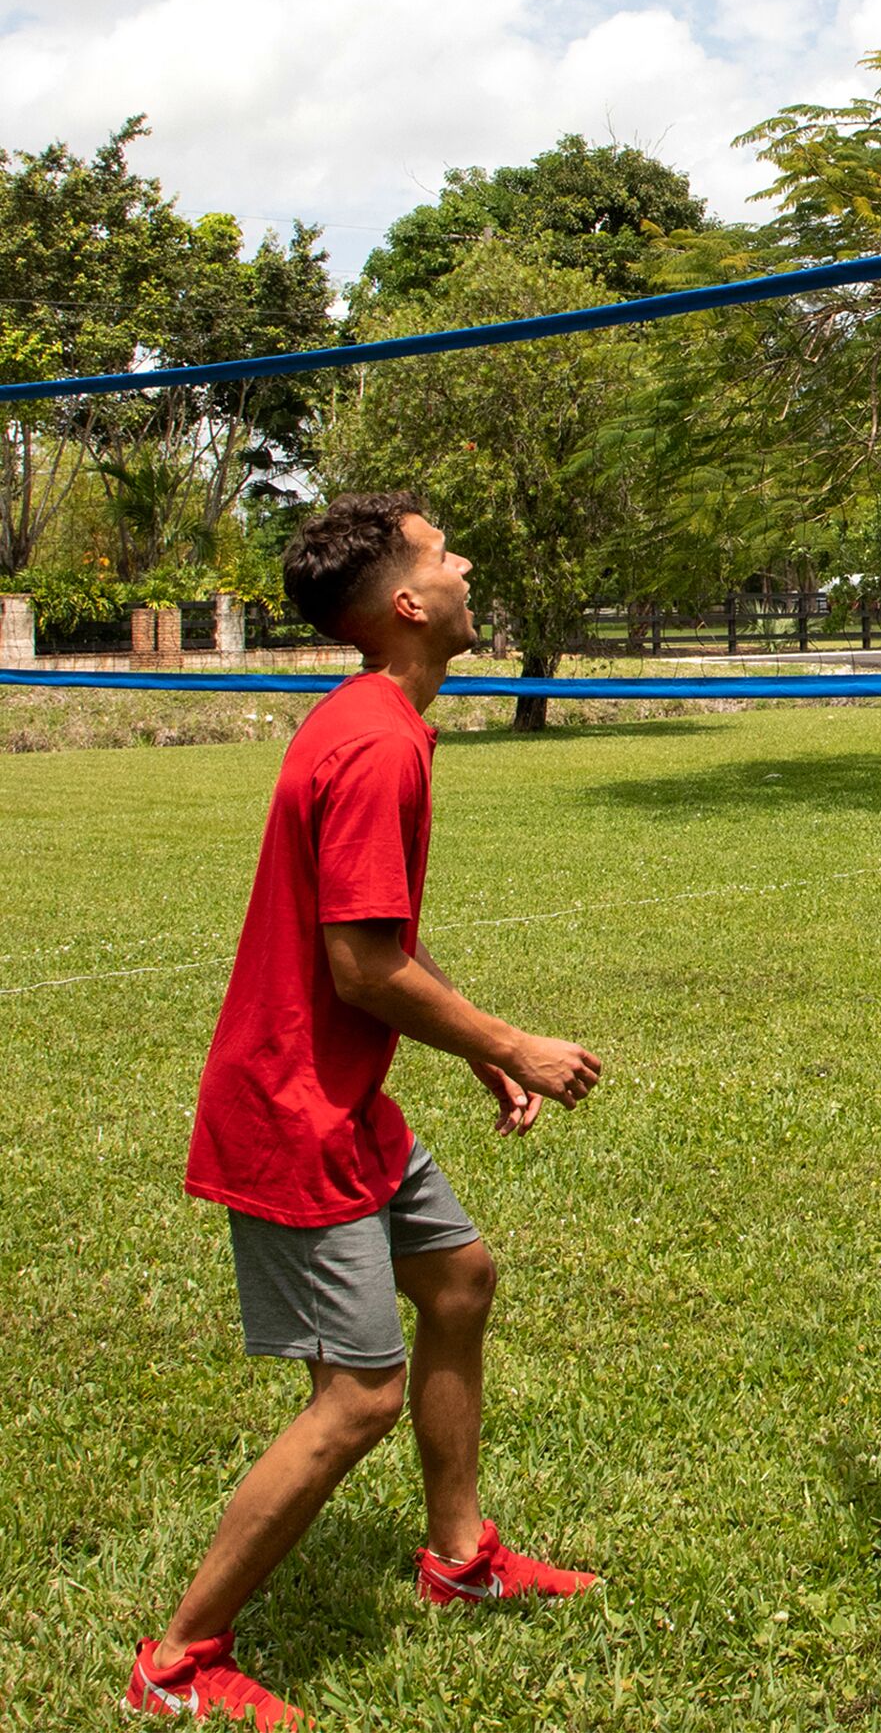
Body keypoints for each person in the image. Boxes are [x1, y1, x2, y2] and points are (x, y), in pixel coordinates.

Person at [126, 493, 605, 1726]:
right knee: (358, 1395)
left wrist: (464, 1050)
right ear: (405, 603)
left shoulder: (372, 717)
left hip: (343, 1093)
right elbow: (358, 969)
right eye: (444, 552)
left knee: (457, 1278)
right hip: (292, 1109)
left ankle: (457, 1556)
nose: (463, 562)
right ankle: (176, 1660)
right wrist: (517, 1042)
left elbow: (376, 937)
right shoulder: (379, 739)